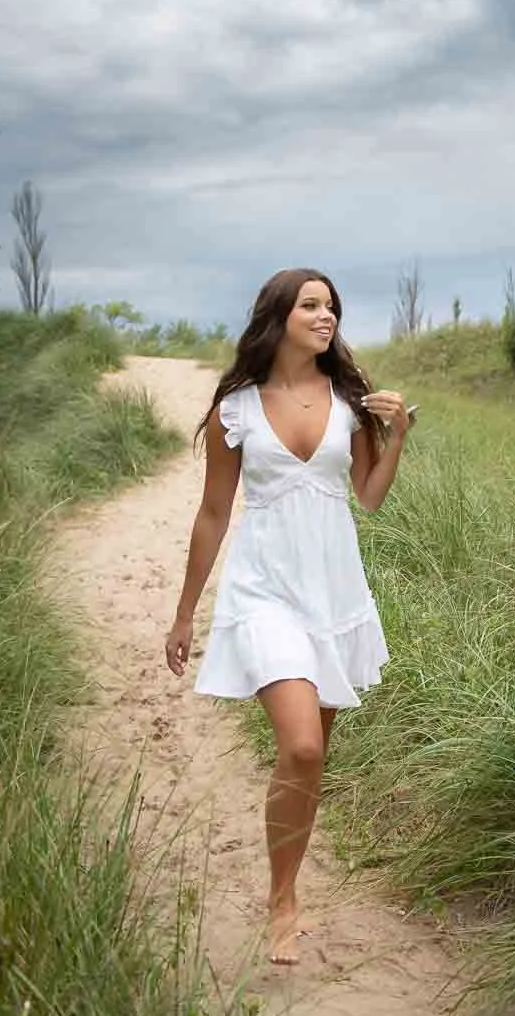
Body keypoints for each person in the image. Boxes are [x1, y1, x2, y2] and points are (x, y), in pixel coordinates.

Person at [164, 268, 411, 965]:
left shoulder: (348, 400)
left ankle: (285, 887)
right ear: (279, 316)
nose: (326, 316)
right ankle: (282, 901)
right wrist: (185, 615)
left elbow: (367, 496)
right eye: (311, 305)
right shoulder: (236, 409)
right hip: (264, 590)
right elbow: (214, 513)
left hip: (332, 591)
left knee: (313, 760)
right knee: (300, 746)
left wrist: (396, 438)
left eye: (331, 307)